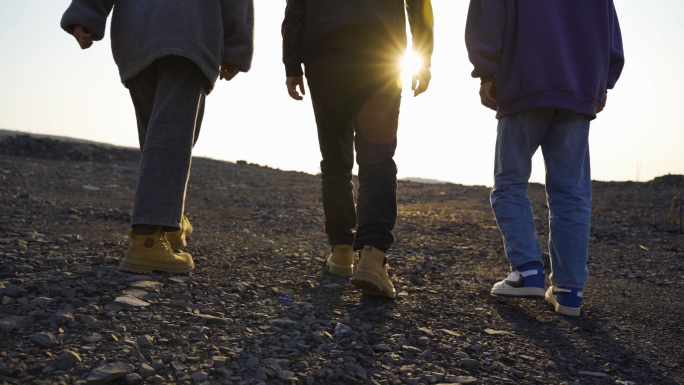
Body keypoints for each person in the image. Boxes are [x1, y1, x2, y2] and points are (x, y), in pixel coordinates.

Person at [61, 0, 254, 274]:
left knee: (158, 135)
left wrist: (86, 15)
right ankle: (148, 238)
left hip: (137, 35)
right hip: (190, 31)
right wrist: (237, 46)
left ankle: (169, 223)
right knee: (173, 135)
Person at [465, 0, 624, 315]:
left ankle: (527, 270)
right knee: (572, 191)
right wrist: (602, 81)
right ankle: (568, 291)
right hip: (579, 86)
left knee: (510, 180)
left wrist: (486, 70)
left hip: (526, 80)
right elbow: (611, 28)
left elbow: (488, 12)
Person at [282, 0, 434, 297]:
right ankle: (372, 258)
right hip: (379, 53)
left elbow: (295, 7)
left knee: (335, 158)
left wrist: (292, 63)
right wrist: (423, 58)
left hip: (325, 56)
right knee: (376, 157)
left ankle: (341, 251)